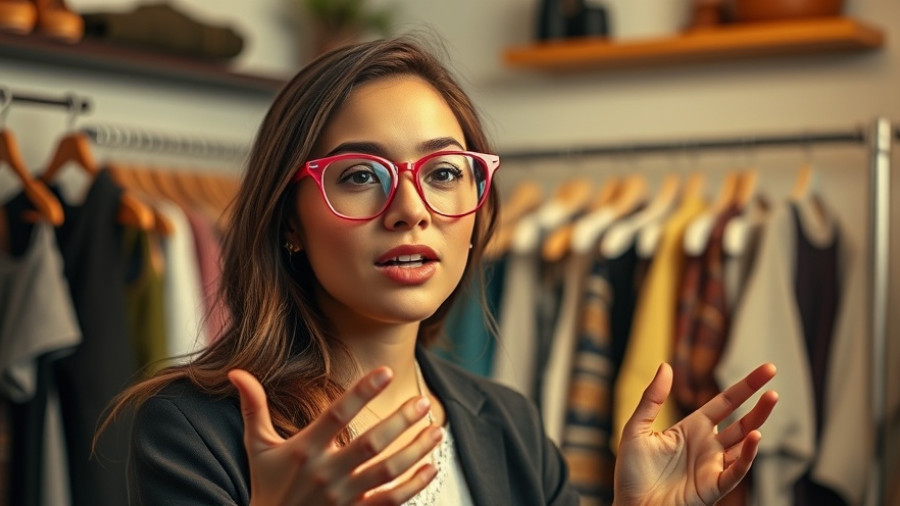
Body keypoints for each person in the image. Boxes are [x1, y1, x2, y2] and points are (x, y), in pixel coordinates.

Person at [102, 35, 779, 505]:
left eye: (444, 172)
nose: (410, 209)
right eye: (361, 175)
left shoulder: (508, 427)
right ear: (289, 223)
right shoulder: (190, 428)